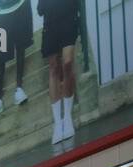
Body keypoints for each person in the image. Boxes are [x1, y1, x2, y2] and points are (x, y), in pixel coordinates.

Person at [39, 0, 80, 144]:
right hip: (50, 23)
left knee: (67, 63)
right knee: (53, 67)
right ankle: (58, 122)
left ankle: (68, 116)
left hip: (68, 16)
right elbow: (40, 9)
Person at [0, 0, 32, 118]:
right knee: (1, 55)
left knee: (20, 46)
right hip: (2, 12)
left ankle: (19, 88)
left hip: (19, 6)